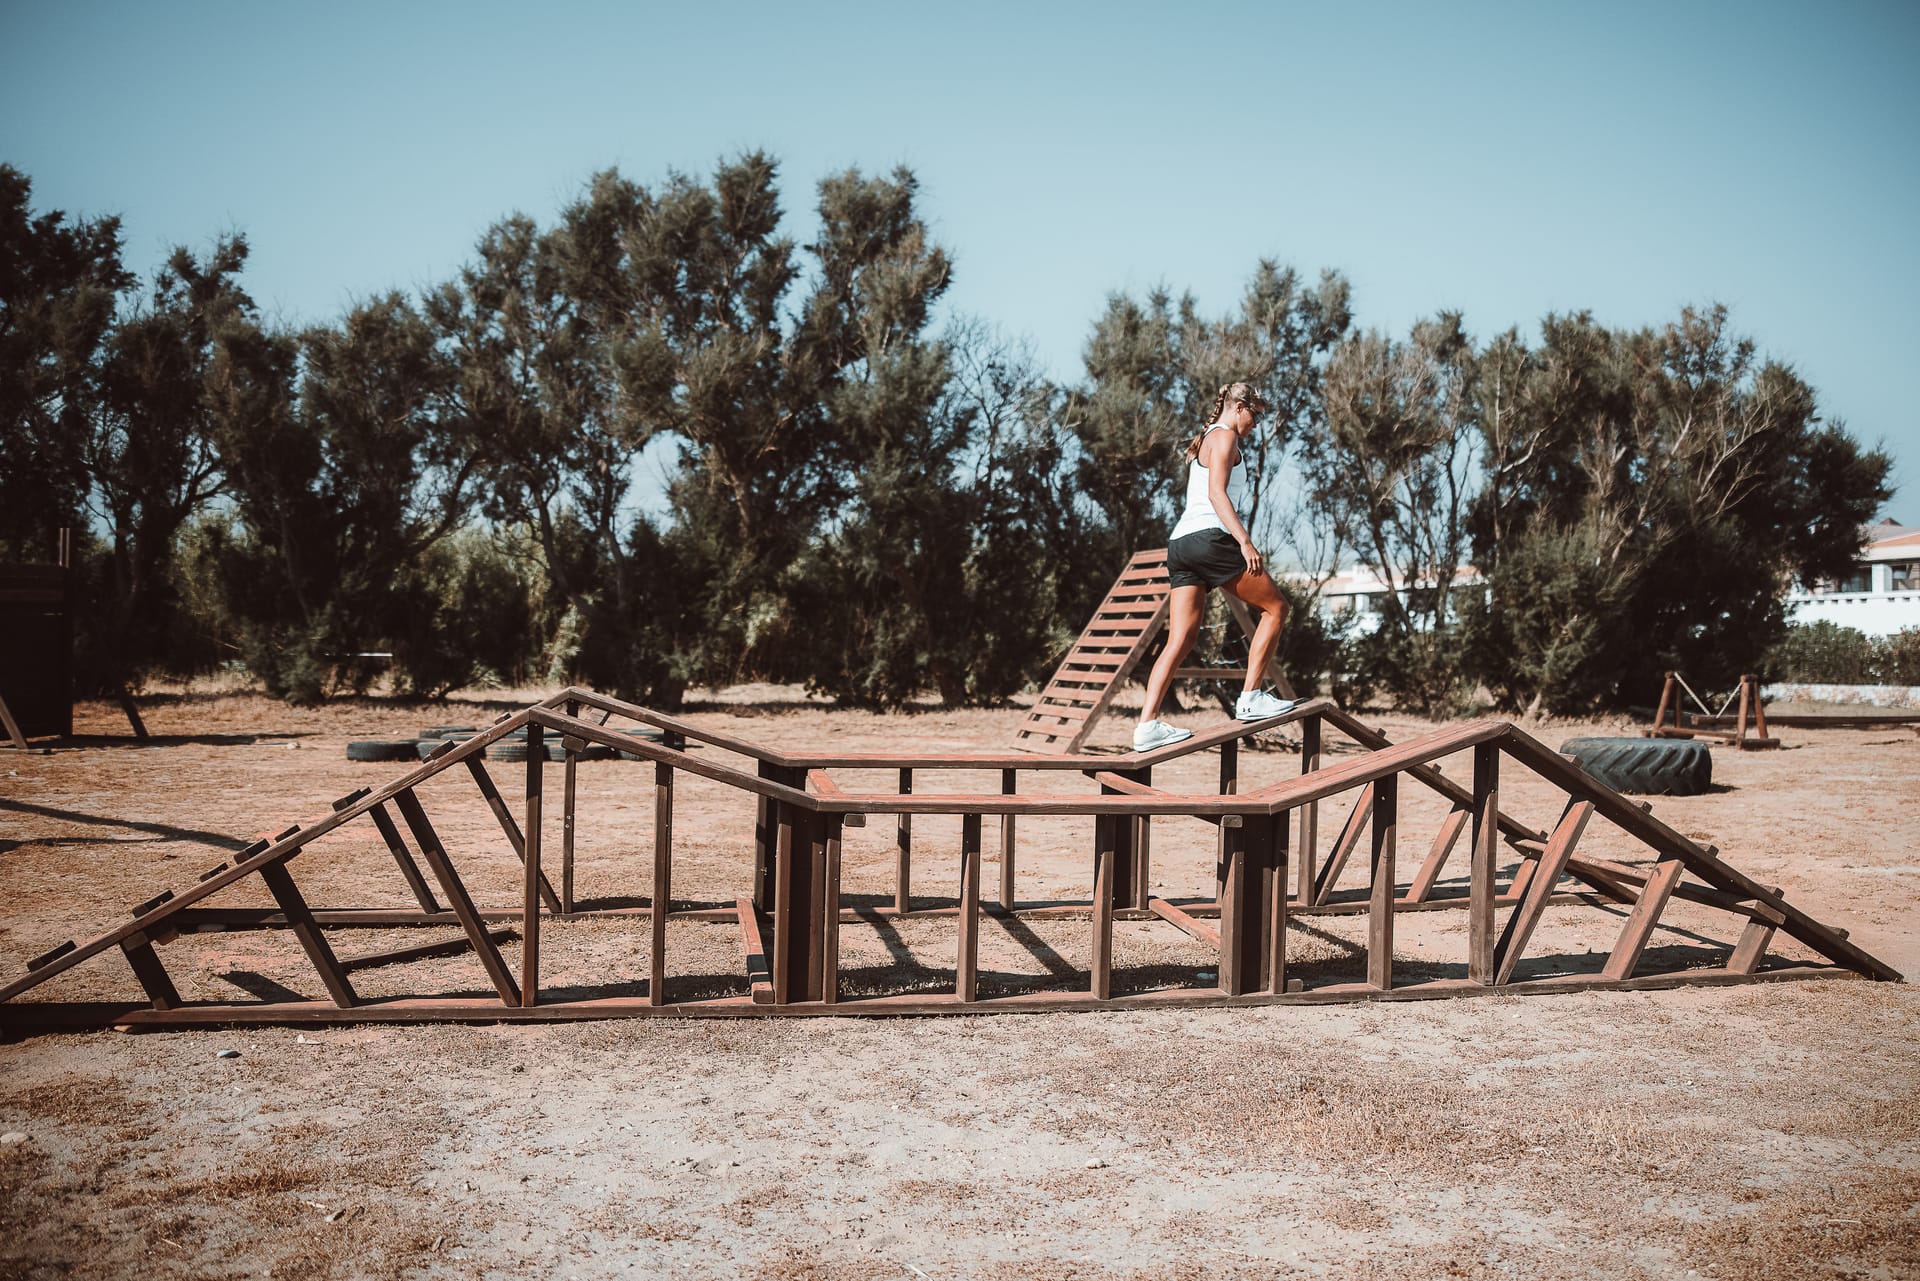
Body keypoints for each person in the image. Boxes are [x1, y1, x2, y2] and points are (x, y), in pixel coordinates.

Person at [1133, 381, 1295, 751]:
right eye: (1254, 415)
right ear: (1239, 407)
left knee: (1181, 638)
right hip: (1210, 538)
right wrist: (1245, 541)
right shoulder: (1224, 438)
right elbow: (1216, 494)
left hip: (1181, 544)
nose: (1255, 424)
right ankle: (1251, 697)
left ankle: (1146, 726)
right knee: (1276, 607)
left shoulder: (1207, 436)